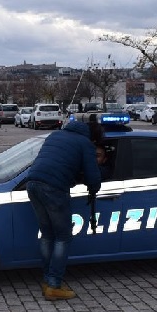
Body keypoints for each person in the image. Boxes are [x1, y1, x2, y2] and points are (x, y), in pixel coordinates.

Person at [24, 120, 102, 301]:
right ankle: (54, 285)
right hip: (53, 188)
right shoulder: (85, 144)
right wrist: (94, 186)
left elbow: (56, 161)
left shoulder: (55, 135)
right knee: (63, 237)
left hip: (32, 183)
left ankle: (47, 280)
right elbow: (93, 176)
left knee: (47, 234)